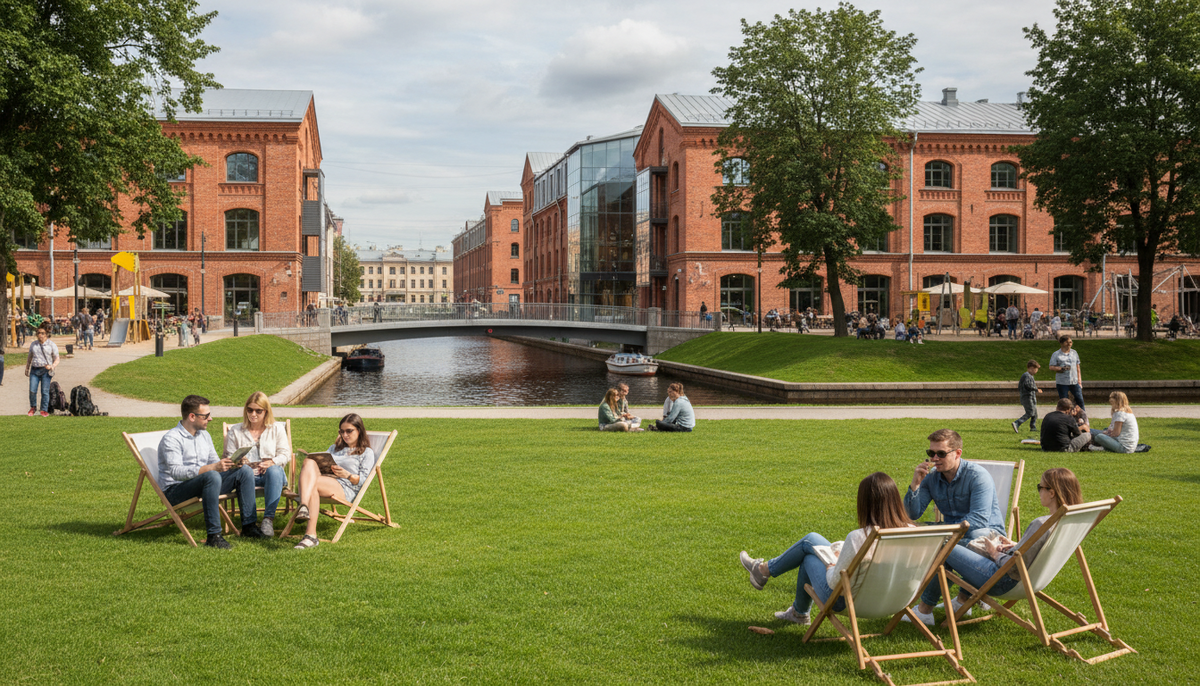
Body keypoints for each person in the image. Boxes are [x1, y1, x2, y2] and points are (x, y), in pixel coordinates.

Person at [911, 468, 1085, 624]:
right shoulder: (1069, 521)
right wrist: (1017, 545)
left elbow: (1015, 567)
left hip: (1003, 580)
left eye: (1040, 487)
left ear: (1052, 493)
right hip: (1033, 581)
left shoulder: (1041, 524)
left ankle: (925, 611)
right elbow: (1037, 550)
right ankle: (962, 601)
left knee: (946, 544)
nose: (1039, 491)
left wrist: (995, 554)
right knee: (968, 542)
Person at [738, 472, 915, 625]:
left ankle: (772, 581)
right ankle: (768, 577)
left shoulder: (859, 537)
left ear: (865, 504)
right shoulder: (913, 533)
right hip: (896, 600)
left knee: (809, 556)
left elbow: (834, 582)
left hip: (850, 602)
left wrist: (832, 565)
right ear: (895, 500)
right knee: (812, 539)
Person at [158, 395, 264, 549]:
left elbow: (214, 462)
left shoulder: (204, 435)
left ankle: (249, 527)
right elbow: (176, 472)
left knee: (244, 471)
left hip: (206, 484)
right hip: (176, 491)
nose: (210, 418)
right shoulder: (172, 439)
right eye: (206, 416)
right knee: (212, 475)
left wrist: (232, 464)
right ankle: (214, 536)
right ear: (192, 416)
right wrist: (212, 468)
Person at [905, 429, 1005, 544]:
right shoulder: (931, 477)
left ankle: (940, 545)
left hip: (986, 534)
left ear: (958, 453)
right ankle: (942, 545)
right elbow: (912, 514)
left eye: (941, 454)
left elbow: (978, 520)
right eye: (931, 453)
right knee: (907, 528)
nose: (934, 459)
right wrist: (915, 485)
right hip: (951, 533)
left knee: (976, 535)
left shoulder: (978, 477)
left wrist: (942, 531)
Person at [293, 413, 377, 549]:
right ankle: (308, 525)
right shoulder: (335, 448)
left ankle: (309, 529)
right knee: (309, 461)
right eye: (341, 431)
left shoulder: (366, 452)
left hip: (346, 487)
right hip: (326, 480)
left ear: (359, 430)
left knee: (313, 484)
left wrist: (347, 475)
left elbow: (363, 481)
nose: (345, 435)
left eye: (349, 431)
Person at [224, 391, 292, 536]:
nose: (253, 414)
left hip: (271, 476)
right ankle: (250, 524)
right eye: (250, 410)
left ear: (266, 411)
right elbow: (228, 456)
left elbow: (286, 454)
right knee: (246, 472)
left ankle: (268, 519)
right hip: (247, 477)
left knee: (274, 470)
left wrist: (272, 461)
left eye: (258, 411)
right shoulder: (235, 431)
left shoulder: (276, 428)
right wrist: (238, 461)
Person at [24, 323, 59, 417]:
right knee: (32, 390)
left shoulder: (51, 345)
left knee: (44, 391)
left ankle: (43, 409)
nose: (40, 335)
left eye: (42, 333)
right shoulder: (34, 344)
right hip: (34, 369)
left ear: (46, 334)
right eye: (38, 333)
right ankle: (33, 407)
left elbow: (57, 358)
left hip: (45, 370)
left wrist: (52, 366)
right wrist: (27, 368)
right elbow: (30, 357)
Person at [1049, 334, 1084, 409]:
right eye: (1067, 342)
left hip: (1074, 381)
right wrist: (1061, 368)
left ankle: (1082, 415)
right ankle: (1064, 415)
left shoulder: (1074, 353)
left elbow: (1078, 367)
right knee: (1064, 402)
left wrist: (1079, 382)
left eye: (1070, 342)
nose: (1069, 344)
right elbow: (1051, 367)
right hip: (1062, 382)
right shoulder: (1056, 354)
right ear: (1061, 343)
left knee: (1080, 400)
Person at [1012, 359, 1043, 434]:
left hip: (1031, 397)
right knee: (1030, 412)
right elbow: (1028, 385)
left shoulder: (1030, 376)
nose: (1036, 371)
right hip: (1027, 397)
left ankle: (1033, 427)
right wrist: (1036, 389)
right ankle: (1017, 423)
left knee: (1035, 413)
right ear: (1031, 368)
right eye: (1035, 369)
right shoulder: (1026, 375)